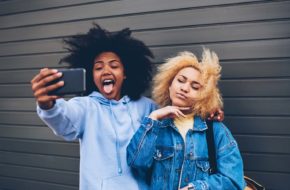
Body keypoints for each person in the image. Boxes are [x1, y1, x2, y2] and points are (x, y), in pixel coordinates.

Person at [31, 24, 157, 190]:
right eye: (98, 67)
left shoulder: (147, 107)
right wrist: (48, 105)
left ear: (125, 73)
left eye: (114, 66)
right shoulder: (85, 107)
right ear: (92, 75)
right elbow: (64, 119)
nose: (105, 71)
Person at [127, 49, 244, 190]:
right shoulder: (154, 125)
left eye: (195, 87)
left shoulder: (216, 131)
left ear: (204, 96)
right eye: (180, 80)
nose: (184, 88)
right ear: (169, 85)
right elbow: (136, 163)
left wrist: (198, 188)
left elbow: (233, 180)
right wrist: (154, 118)